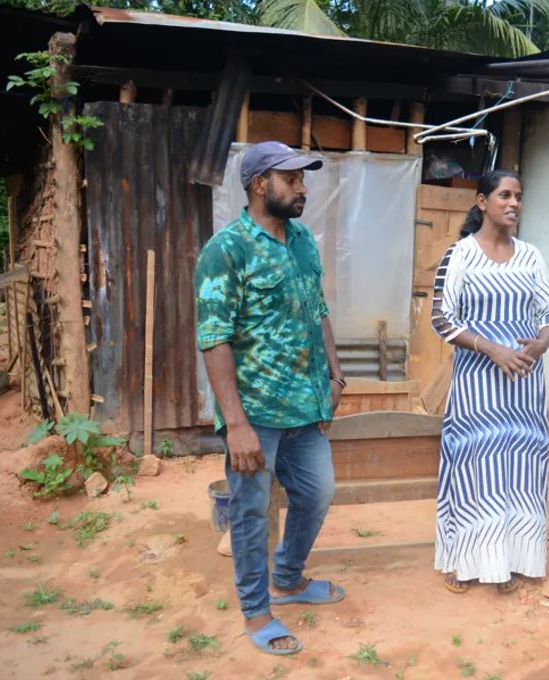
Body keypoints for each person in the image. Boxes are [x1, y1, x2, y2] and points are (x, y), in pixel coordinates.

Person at [195, 141, 346, 655]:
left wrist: (335, 376)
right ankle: (257, 610)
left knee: (318, 493)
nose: (303, 188)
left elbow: (317, 309)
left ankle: (288, 578)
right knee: (251, 510)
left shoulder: (302, 240)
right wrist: (235, 423)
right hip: (255, 412)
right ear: (260, 185)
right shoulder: (226, 250)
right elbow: (213, 337)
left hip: (306, 404)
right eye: (292, 179)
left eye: (302, 179)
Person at [431, 170, 549, 594]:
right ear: (482, 201)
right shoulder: (460, 255)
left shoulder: (532, 256)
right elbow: (441, 318)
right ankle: (466, 560)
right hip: (477, 384)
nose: (514, 203)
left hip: (524, 382)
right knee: (475, 463)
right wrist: (491, 348)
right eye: (504, 195)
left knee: (522, 466)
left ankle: (510, 560)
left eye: (519, 196)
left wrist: (540, 344)